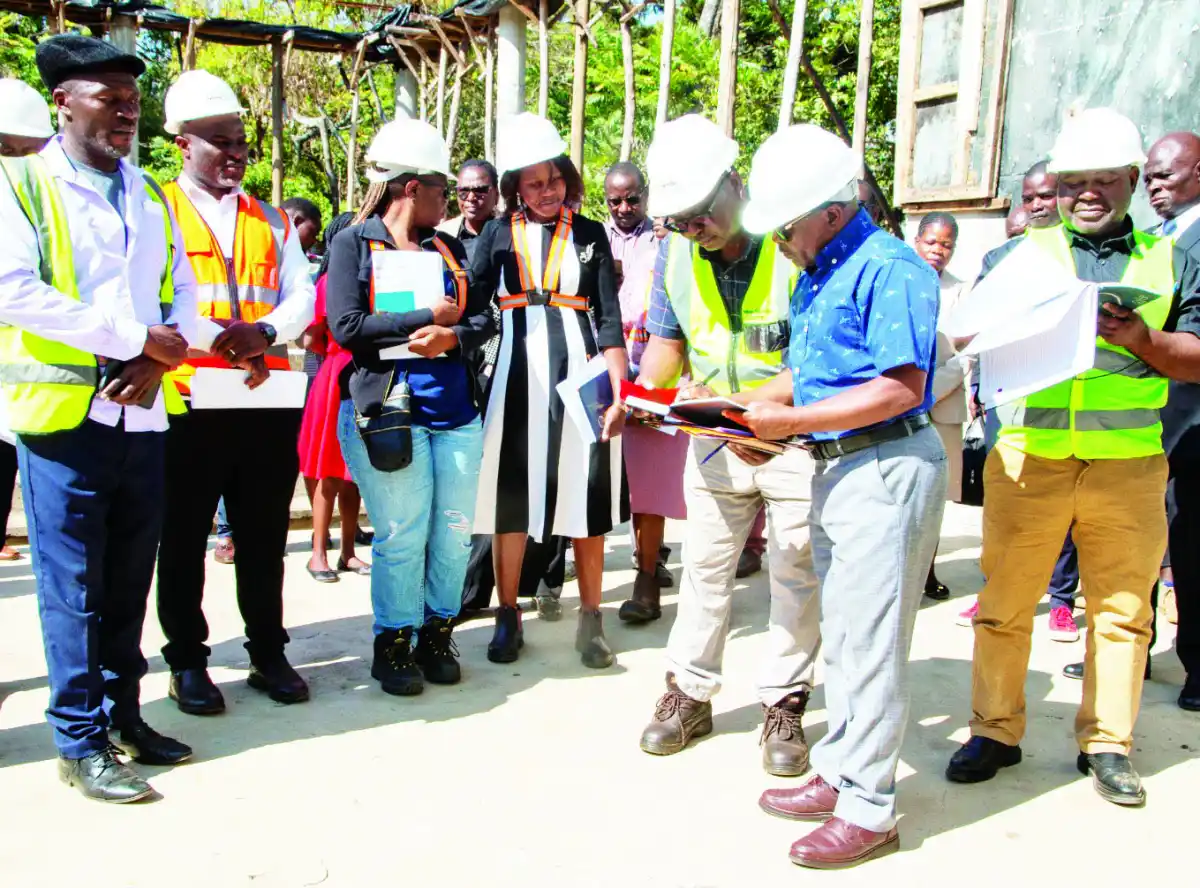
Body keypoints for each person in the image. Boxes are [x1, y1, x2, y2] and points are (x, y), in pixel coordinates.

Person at [944, 109, 1200, 806]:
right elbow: (969, 337)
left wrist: (1144, 340)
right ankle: (994, 730)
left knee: (1122, 612)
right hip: (1030, 460)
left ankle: (1107, 744)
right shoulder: (1015, 257)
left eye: (1103, 179)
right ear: (1054, 185)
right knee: (1004, 603)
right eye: (1073, 181)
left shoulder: (1172, 257)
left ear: (1130, 179)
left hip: (1129, 466)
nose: (1088, 193)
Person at [0, 35, 202, 801]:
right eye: (108, 97)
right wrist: (131, 341)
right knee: (72, 588)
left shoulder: (148, 191)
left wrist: (158, 356)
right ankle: (77, 741)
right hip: (64, 419)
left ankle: (124, 717)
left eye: (132, 100)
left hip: (142, 415)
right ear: (63, 101)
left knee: (128, 580)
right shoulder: (20, 184)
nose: (125, 111)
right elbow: (13, 288)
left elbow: (178, 290)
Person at [742, 124, 946, 869]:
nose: (779, 242)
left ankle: (870, 808)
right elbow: (813, 376)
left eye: (786, 226)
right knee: (850, 635)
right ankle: (839, 769)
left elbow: (900, 387)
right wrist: (736, 406)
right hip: (837, 468)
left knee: (875, 643)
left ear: (831, 210)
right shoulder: (820, 268)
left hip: (886, 467)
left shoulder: (890, 268)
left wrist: (785, 422)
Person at [634, 114, 820, 776]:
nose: (693, 230)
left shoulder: (793, 239)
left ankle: (784, 700)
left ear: (733, 183)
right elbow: (667, 340)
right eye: (679, 220)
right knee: (705, 570)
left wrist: (769, 409)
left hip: (795, 437)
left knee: (795, 570)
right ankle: (689, 693)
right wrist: (642, 393)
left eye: (699, 214)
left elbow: (825, 355)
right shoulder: (676, 253)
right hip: (715, 437)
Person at [155, 70, 316, 715]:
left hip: (261, 397)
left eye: (241, 141)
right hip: (188, 398)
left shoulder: (271, 219)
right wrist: (224, 340)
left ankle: (267, 651)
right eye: (219, 141)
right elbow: (153, 292)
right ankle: (188, 661)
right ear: (183, 143)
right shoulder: (154, 207)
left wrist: (267, 332)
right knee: (183, 533)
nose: (235, 154)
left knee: (263, 532)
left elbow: (303, 294)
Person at [328, 119, 489, 696]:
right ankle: (393, 642)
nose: (449, 198)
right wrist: (426, 319)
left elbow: (480, 318)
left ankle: (436, 633)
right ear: (410, 187)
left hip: (455, 414)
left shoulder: (446, 248)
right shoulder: (352, 242)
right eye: (442, 188)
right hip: (390, 412)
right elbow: (345, 326)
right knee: (402, 533)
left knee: (453, 532)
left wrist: (454, 338)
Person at [471, 113, 628, 668]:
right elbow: (473, 313)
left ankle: (591, 619)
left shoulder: (589, 234)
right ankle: (508, 615)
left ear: (567, 178)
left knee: (586, 497)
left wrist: (618, 388)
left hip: (581, 382)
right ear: (514, 186)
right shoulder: (494, 233)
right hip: (514, 381)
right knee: (509, 499)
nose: (546, 192)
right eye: (533, 183)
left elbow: (607, 316)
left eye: (554, 180)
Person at [958, 161, 1082, 644]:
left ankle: (1061, 600)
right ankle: (996, 591)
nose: (1036, 206)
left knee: (1063, 516)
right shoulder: (1001, 259)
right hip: (1007, 405)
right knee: (1003, 504)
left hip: (1066, 405)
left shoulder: (1082, 259)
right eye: (1028, 198)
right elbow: (985, 332)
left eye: (1046, 196)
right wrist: (980, 389)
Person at [450, 156, 573, 622]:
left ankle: (547, 581)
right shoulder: (461, 237)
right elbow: (473, 309)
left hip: (555, 362)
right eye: (466, 191)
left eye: (481, 190)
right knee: (503, 487)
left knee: (557, 477)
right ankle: (479, 592)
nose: (473, 198)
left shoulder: (564, 232)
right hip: (492, 370)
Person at [604, 160, 688, 619]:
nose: (624, 207)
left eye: (633, 198)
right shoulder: (593, 240)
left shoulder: (671, 243)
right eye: (615, 200)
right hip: (609, 370)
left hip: (659, 371)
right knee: (608, 480)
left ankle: (646, 577)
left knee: (651, 485)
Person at [1141, 130, 1200, 710]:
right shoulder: (1148, 243)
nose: (1154, 187)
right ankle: (1135, 651)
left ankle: (1198, 667)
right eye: (1150, 178)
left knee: (1190, 545)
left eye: (1167, 176)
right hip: (1143, 424)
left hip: (1194, 424)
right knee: (1137, 545)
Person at [298, 210, 369, 583]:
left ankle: (347, 553)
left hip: (360, 374)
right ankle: (318, 553)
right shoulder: (328, 282)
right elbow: (310, 339)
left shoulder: (361, 277)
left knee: (353, 471)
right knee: (328, 469)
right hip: (335, 375)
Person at [0, 78, 55, 561]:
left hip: (33, 394)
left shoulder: (52, 208)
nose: (14, 162)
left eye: (27, 151)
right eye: (4, 148)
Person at [915, 211, 968, 602]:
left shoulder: (962, 292)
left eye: (946, 244)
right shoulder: (896, 279)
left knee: (936, 495)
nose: (938, 251)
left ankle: (927, 571)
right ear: (917, 241)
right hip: (895, 407)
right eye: (932, 242)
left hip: (941, 407)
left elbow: (967, 356)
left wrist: (925, 392)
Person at [438, 158, 499, 263]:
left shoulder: (513, 234)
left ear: (496, 195)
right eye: (463, 191)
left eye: (480, 190)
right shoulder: (441, 237)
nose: (471, 198)